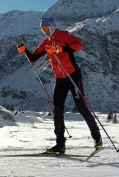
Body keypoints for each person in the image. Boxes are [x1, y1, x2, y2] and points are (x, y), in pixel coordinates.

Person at [17, 18, 102, 154]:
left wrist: (58, 49)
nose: (45, 32)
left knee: (81, 107)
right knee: (57, 110)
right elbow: (33, 58)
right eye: (43, 30)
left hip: (72, 75)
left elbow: (79, 46)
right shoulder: (46, 42)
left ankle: (97, 138)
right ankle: (60, 144)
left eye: (46, 29)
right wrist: (25, 50)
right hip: (60, 79)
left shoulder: (64, 35)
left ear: (52, 26)